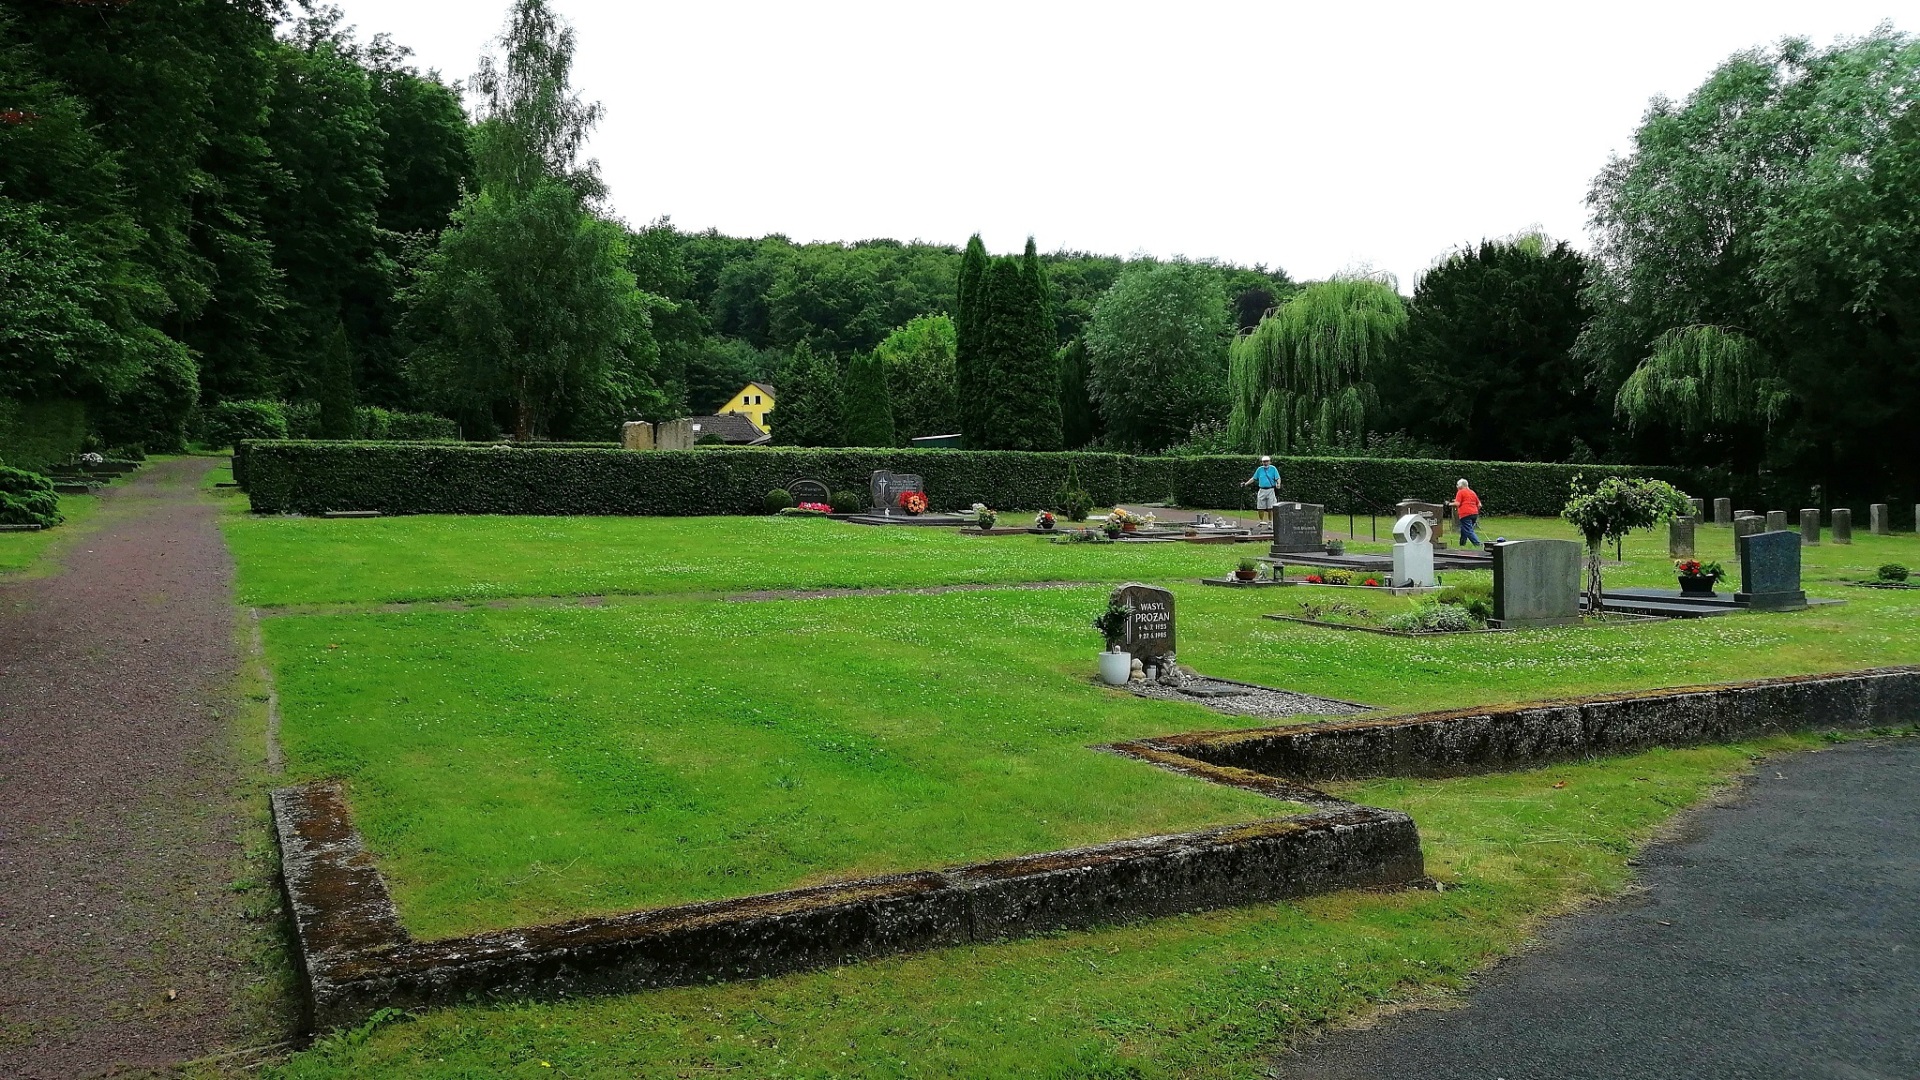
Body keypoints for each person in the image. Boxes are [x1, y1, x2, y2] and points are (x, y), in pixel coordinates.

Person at [1241, 455, 1280, 530]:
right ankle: (1261, 521)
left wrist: (1278, 484)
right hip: (1262, 490)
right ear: (1262, 462)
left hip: (1270, 490)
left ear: (1269, 462)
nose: (1265, 463)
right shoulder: (1259, 469)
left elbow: (1277, 478)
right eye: (1264, 462)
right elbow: (1254, 478)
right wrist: (1245, 484)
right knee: (1260, 507)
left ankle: (1270, 523)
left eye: (1267, 461)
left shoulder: (1273, 468)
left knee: (1270, 507)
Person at [1454, 478, 1483, 549]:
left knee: (1468, 530)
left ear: (1461, 485)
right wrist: (1474, 509)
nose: (1457, 486)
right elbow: (1479, 505)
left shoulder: (1460, 492)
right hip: (1474, 514)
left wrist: (1448, 504)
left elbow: (1457, 503)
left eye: (1457, 485)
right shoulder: (1472, 492)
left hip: (1465, 514)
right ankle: (1462, 544)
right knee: (1464, 529)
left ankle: (1478, 544)